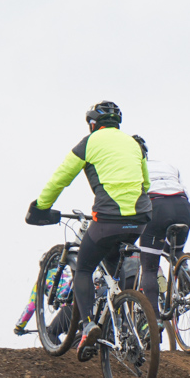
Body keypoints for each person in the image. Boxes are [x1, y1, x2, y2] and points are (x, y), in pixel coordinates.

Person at [25, 100, 151, 360]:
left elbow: (60, 179)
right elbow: (145, 184)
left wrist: (40, 207)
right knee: (112, 270)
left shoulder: (88, 143)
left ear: (93, 124)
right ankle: (125, 327)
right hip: (139, 219)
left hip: (108, 219)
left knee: (83, 267)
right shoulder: (134, 144)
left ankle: (89, 326)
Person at [132, 134, 190, 316]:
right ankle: (183, 266)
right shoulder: (167, 165)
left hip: (156, 205)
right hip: (183, 207)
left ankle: (155, 318)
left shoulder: (130, 169)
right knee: (174, 250)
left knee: (149, 267)